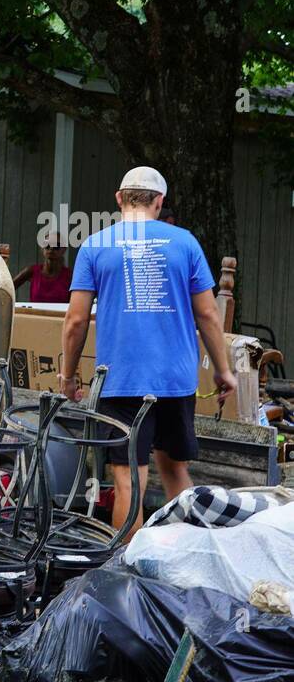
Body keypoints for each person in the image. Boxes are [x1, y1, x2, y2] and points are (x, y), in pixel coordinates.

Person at [61, 166, 236, 536]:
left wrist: (68, 377)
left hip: (121, 381)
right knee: (174, 469)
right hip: (175, 380)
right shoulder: (185, 243)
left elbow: (75, 321)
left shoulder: (95, 245)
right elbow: (207, 313)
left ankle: (128, 577)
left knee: (128, 480)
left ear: (120, 199)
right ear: (159, 202)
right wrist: (224, 371)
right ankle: (196, 557)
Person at [13, 231, 72, 302]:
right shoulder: (32, 271)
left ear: (64, 249)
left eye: (56, 246)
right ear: (42, 248)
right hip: (34, 313)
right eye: (47, 245)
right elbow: (7, 289)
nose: (51, 249)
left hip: (60, 313)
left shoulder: (70, 275)